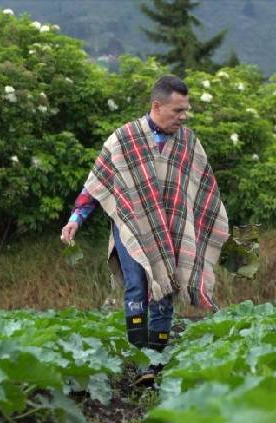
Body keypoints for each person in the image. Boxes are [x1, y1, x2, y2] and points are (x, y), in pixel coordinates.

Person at [60, 75, 229, 363]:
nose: (183, 116)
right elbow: (97, 182)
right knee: (137, 285)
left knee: (165, 288)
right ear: (157, 106)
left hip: (171, 230)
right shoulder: (123, 139)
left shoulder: (188, 142)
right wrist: (76, 218)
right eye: (178, 110)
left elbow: (205, 191)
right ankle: (138, 356)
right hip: (131, 228)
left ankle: (157, 358)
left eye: (185, 110)